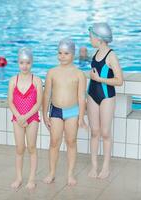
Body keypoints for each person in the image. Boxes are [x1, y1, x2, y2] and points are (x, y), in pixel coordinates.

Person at [42, 38, 87, 186]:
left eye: (66, 53)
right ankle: (52, 172)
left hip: (72, 112)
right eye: (60, 53)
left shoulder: (79, 74)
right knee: (54, 142)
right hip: (55, 111)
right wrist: (44, 114)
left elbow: (81, 96)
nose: (62, 56)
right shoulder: (52, 72)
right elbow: (47, 94)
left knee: (71, 141)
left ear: (73, 54)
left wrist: (81, 116)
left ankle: (70, 174)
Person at [87, 23, 123, 179]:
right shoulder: (95, 53)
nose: (90, 39)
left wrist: (99, 78)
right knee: (94, 132)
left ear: (99, 38)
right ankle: (94, 167)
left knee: (105, 132)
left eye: (91, 36)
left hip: (107, 96)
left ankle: (106, 167)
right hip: (92, 94)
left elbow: (119, 80)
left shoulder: (111, 56)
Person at [8, 48, 43, 190]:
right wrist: (18, 116)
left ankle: (32, 178)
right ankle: (19, 177)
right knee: (19, 148)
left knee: (32, 147)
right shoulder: (13, 80)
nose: (24, 66)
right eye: (22, 62)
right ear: (18, 63)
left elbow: (38, 102)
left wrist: (26, 117)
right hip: (17, 117)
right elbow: (10, 101)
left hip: (32, 117)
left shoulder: (37, 80)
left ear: (32, 63)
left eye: (27, 63)